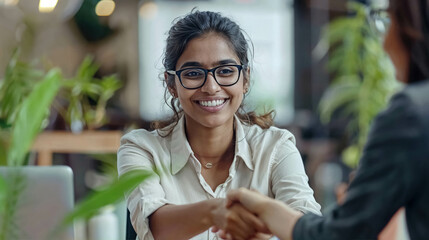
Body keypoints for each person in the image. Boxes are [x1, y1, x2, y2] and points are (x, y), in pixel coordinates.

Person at [225, 0, 429, 239]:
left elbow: (340, 234)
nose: (383, 43)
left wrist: (266, 209)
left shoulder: (412, 112)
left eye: (388, 19)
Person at [117, 10, 321, 240]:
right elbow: (155, 227)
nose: (211, 87)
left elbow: (308, 226)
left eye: (225, 71)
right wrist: (216, 212)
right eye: (193, 73)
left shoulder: (275, 147)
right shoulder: (141, 149)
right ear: (172, 84)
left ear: (245, 79)